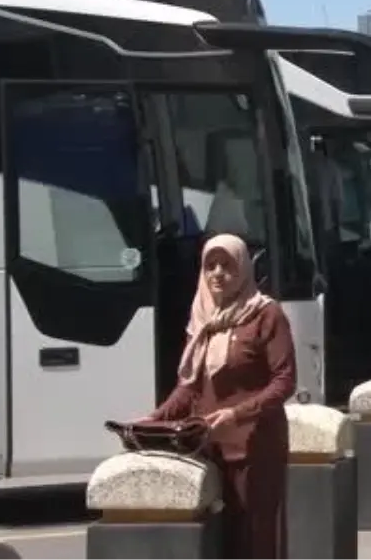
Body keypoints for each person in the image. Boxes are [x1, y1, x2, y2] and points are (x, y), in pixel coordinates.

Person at [147, 234, 297, 560]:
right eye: (210, 266)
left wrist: (238, 414)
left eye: (227, 266)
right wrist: (153, 419)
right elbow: (189, 387)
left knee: (255, 542)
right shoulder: (202, 320)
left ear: (243, 270)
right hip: (209, 447)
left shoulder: (266, 315)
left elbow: (284, 382)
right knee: (220, 543)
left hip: (255, 449)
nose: (217, 273)